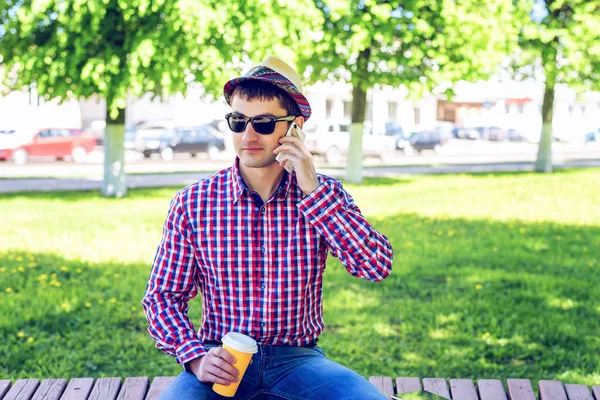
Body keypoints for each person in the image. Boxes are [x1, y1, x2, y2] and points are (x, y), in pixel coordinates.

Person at [142, 55, 394, 400]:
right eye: (237, 121)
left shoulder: (326, 196)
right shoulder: (193, 203)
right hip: (222, 360)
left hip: (299, 361)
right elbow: (162, 297)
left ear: (295, 127)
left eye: (263, 123)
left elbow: (375, 265)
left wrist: (313, 191)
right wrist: (196, 356)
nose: (248, 135)